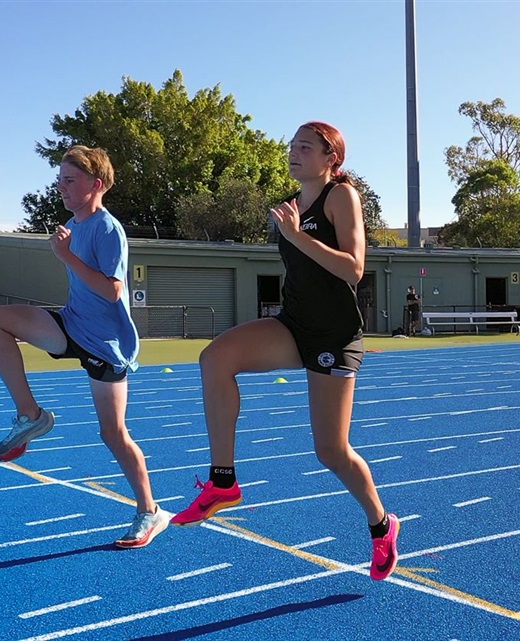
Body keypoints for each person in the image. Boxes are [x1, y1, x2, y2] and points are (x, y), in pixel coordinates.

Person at [170, 122, 400, 581]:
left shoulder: (340, 196)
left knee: (331, 450)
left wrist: (296, 236)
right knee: (215, 358)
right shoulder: (292, 205)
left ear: (330, 157)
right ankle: (222, 482)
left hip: (333, 337)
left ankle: (381, 524)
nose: (294, 152)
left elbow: (354, 270)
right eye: (293, 145)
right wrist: (293, 233)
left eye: (306, 147)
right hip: (292, 325)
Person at [0, 145, 168, 549]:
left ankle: (149, 511)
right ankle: (30, 415)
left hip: (107, 343)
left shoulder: (108, 228)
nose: (60, 186)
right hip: (71, 323)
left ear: (95, 185)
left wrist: (65, 256)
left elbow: (113, 290)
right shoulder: (71, 225)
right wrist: (65, 252)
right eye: (60, 179)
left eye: (69, 180)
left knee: (113, 434)